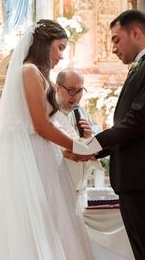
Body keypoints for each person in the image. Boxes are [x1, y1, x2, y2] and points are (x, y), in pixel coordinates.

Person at [0, 19, 94, 259]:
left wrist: (66, 151)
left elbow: (44, 126)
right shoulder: (29, 71)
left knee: (55, 219)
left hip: (46, 156)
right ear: (45, 44)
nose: (61, 55)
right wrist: (78, 146)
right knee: (40, 222)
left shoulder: (39, 74)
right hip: (34, 159)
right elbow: (40, 125)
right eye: (60, 47)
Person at [75, 10, 145, 260]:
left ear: (136, 33)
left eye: (116, 39)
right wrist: (97, 149)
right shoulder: (141, 66)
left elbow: (138, 121)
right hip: (135, 175)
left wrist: (93, 145)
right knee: (143, 251)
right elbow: (131, 125)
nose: (113, 48)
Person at [53, 67, 102, 212]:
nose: (76, 96)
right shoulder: (49, 111)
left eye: (80, 90)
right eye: (71, 90)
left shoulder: (80, 111)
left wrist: (89, 137)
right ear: (57, 87)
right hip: (57, 186)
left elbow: (96, 135)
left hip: (79, 186)